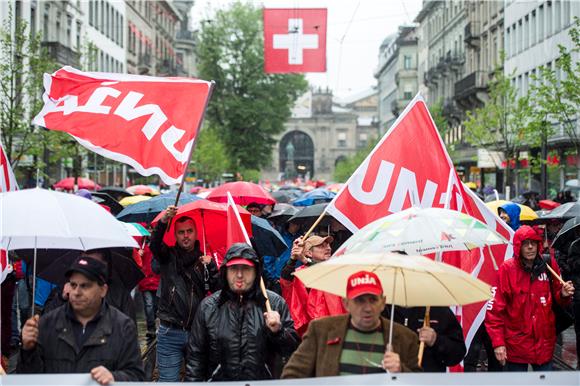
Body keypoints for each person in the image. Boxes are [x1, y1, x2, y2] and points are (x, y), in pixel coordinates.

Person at [17, 256, 144, 384]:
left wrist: (115, 378)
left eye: (85, 286)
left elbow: (136, 376)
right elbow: (27, 379)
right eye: (73, 285)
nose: (77, 292)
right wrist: (27, 350)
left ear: (103, 290)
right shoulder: (48, 323)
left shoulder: (123, 327)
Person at [185, 243, 299, 382]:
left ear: (256, 271)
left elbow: (294, 352)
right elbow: (196, 358)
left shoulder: (274, 304)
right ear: (225, 272)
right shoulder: (209, 307)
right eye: (233, 269)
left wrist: (279, 332)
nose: (239, 275)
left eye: (246, 268)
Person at [282, 270, 421, 378]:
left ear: (383, 302)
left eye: (373, 300)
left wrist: (401, 370)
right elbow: (292, 374)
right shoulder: (321, 331)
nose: (367, 308)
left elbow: (420, 381)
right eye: (359, 300)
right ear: (346, 303)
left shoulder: (405, 338)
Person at [485, 225, 574, 371]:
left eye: (533, 242)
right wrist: (498, 343)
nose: (530, 247)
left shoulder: (549, 265)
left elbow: (559, 298)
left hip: (544, 346)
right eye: (525, 243)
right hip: (516, 347)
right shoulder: (507, 269)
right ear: (518, 246)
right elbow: (494, 311)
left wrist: (563, 295)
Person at [150, 205, 219, 382]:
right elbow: (155, 245)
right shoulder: (168, 257)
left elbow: (218, 291)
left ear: (196, 233)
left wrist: (211, 268)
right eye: (181, 232)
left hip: (197, 332)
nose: (186, 235)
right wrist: (164, 221)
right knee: (167, 381)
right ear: (176, 235)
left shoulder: (204, 259)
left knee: (196, 381)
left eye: (189, 231)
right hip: (169, 331)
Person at [43, 249, 137, 322]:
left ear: (105, 265)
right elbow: (45, 323)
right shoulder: (65, 289)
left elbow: (130, 336)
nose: (87, 268)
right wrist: (61, 298)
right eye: (84, 261)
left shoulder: (120, 295)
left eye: (93, 263)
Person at [280, 235, 345, 336]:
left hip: (339, 327)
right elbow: (286, 283)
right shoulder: (301, 274)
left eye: (328, 245)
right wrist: (293, 259)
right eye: (321, 246)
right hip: (316, 331)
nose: (328, 248)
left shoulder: (336, 268)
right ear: (309, 253)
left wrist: (305, 260)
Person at [383, 306, 466, 372]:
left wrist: (436, 340)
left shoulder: (439, 309)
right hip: (387, 380)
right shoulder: (383, 310)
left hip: (428, 381)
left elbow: (458, 353)